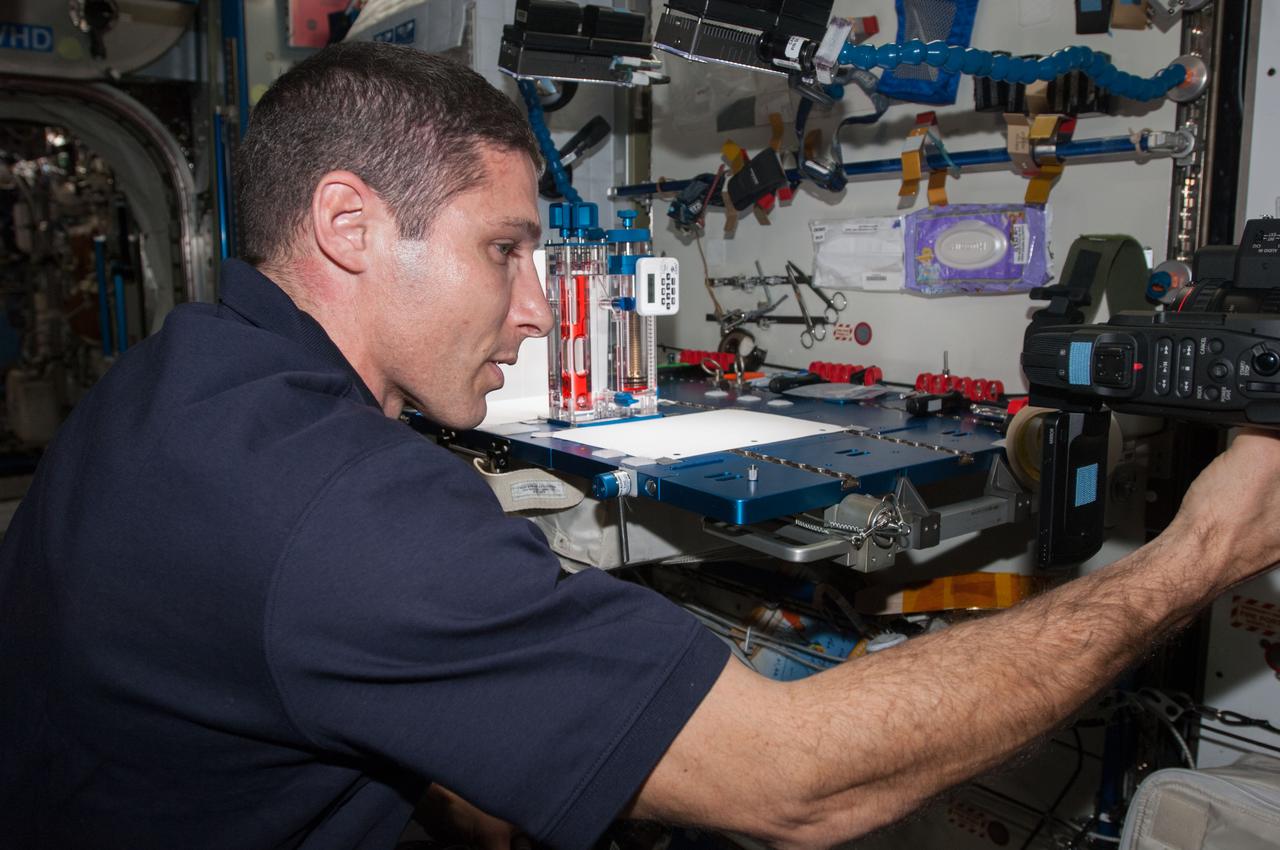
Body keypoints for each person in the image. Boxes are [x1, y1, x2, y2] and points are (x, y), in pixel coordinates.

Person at [0, 39, 1276, 850]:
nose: (539, 304)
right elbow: (801, 785)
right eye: (504, 251)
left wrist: (448, 777)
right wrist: (1199, 550)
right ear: (347, 224)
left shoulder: (182, 377)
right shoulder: (337, 507)